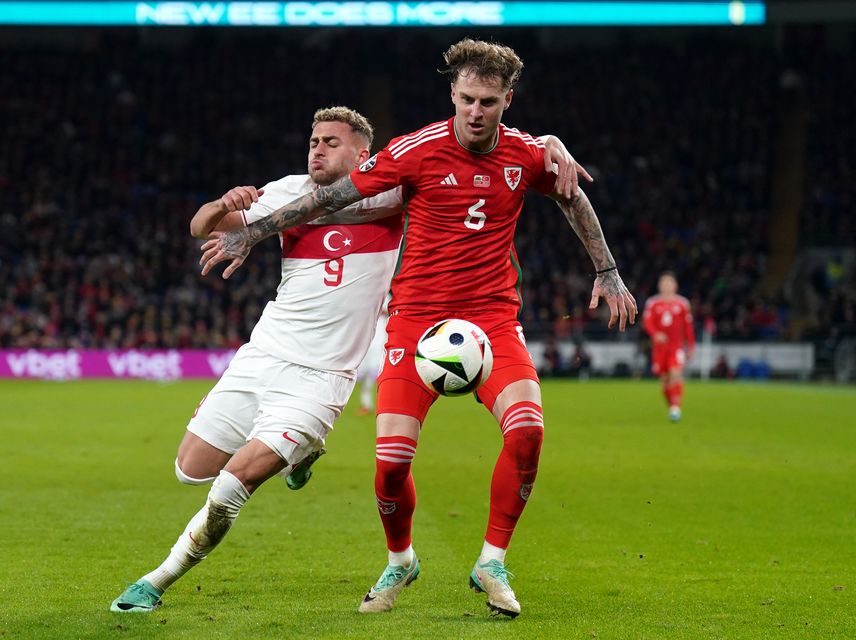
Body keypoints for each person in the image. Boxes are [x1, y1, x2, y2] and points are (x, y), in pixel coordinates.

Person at [199, 38, 637, 618]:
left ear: (507, 99)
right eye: (465, 100)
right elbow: (331, 197)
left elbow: (574, 200)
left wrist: (606, 269)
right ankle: (400, 559)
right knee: (391, 465)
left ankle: (492, 561)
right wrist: (253, 230)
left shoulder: (528, 155)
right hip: (414, 322)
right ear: (451, 95)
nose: (475, 112)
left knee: (528, 430)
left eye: (487, 101)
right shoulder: (416, 151)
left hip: (492, 320)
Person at [109, 106, 407, 612]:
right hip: (264, 353)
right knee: (190, 469)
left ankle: (156, 580)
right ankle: (304, 453)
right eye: (314, 140)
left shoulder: (390, 194)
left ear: (362, 153)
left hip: (322, 376)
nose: (317, 148)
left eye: (331, 142)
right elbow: (200, 225)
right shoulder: (287, 190)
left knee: (233, 482)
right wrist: (221, 203)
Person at [642, 271, 695, 421]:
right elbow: (647, 323)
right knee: (665, 379)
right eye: (664, 283)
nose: (666, 286)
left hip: (676, 347)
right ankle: (672, 406)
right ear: (660, 286)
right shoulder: (653, 303)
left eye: (669, 283)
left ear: (675, 285)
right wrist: (655, 334)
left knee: (675, 374)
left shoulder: (682, 303)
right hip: (659, 349)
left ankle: (676, 407)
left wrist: (690, 346)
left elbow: (688, 327)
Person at [355, 297, 389, 416]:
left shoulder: (386, 295)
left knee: (377, 374)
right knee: (362, 375)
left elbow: (389, 311)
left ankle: (371, 405)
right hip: (366, 341)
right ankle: (367, 404)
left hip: (380, 341)